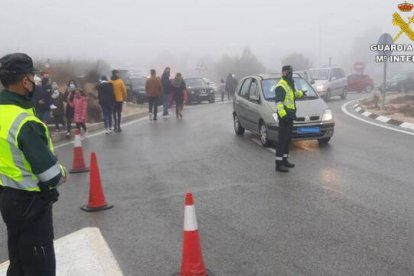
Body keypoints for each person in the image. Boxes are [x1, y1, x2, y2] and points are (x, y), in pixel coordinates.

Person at [0, 53, 68, 275]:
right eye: (32, 76)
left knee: (18, 261)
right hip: (31, 204)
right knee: (40, 266)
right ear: (25, 81)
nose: (35, 81)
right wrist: (62, 173)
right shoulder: (25, 123)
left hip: (7, 199)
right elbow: (50, 175)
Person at [274, 65, 305, 172]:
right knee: (282, 141)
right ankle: (278, 164)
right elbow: (279, 103)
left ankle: (285, 160)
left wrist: (301, 93)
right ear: (285, 73)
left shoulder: (289, 84)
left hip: (290, 116)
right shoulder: (281, 85)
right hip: (285, 117)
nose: (291, 74)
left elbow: (293, 95)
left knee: (287, 140)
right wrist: (283, 116)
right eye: (290, 72)